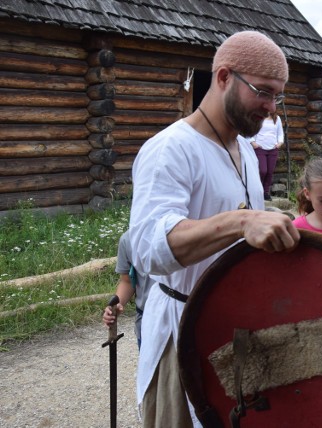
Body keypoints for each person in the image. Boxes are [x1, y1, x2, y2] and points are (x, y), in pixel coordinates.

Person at [128, 31, 300, 428]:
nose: (272, 108)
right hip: (182, 334)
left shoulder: (243, 151)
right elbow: (149, 248)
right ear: (224, 77)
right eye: (264, 92)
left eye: (279, 97)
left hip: (236, 331)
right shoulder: (171, 149)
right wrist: (241, 221)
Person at [102, 230, 152, 349]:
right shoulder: (129, 238)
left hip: (186, 317)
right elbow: (127, 281)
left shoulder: (183, 231)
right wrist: (118, 304)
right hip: (146, 321)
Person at [250, 111, 285, 200]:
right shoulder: (258, 117)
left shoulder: (277, 118)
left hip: (273, 149)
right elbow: (251, 131)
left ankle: (265, 192)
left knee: (269, 172)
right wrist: (253, 143)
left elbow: (280, 133)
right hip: (260, 148)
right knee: (263, 171)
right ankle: (257, 190)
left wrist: (279, 143)